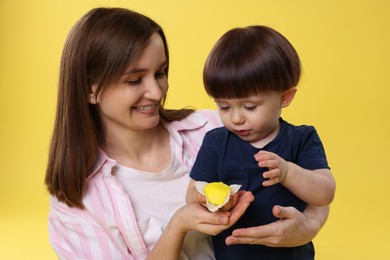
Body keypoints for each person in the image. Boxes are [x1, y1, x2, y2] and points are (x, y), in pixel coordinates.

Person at [44, 7, 330, 259]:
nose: (157, 92)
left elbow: (309, 186)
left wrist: (307, 229)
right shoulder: (77, 202)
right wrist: (178, 225)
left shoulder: (215, 127)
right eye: (134, 80)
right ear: (89, 89)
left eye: (160, 73)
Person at [187, 25, 336, 259]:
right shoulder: (216, 142)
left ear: (285, 97)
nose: (236, 118)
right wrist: (209, 201)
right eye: (224, 106)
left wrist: (287, 172)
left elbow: (325, 193)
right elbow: (193, 194)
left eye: (250, 107)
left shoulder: (302, 139)